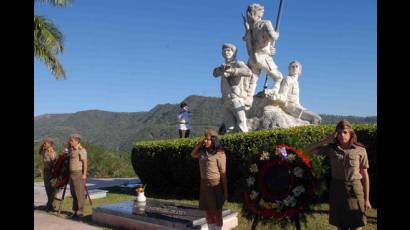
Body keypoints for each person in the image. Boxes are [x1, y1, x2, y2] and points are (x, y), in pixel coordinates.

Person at [304, 120, 371, 230]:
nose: (341, 135)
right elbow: (306, 150)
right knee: (341, 225)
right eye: (339, 132)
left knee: (357, 224)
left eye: (345, 132)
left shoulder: (360, 150)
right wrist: (325, 140)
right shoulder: (331, 149)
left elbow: (365, 175)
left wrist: (367, 199)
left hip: (355, 189)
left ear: (351, 134)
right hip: (337, 189)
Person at [242, 3, 283, 106]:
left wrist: (271, 49)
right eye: (262, 11)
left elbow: (248, 39)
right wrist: (277, 34)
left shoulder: (251, 28)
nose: (263, 13)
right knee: (279, 78)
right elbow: (273, 36)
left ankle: (248, 100)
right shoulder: (265, 23)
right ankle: (273, 93)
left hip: (252, 57)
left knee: (253, 80)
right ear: (258, 13)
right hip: (263, 57)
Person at [191, 129, 228, 230]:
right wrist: (199, 144)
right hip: (204, 184)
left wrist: (225, 191)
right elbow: (193, 154)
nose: (205, 141)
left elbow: (223, 173)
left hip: (215, 184)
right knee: (208, 212)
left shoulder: (220, 153)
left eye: (207, 139)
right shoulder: (202, 152)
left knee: (217, 212)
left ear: (214, 140)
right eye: (205, 139)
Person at [213, 43, 252, 132]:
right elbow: (214, 73)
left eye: (228, 50)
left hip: (236, 97)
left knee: (242, 122)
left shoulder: (238, 63)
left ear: (234, 52)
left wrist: (232, 70)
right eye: (224, 50)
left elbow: (248, 72)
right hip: (225, 99)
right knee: (229, 127)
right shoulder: (222, 66)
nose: (226, 52)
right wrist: (221, 70)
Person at [67, 134, 88, 218]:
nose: (69, 142)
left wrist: (84, 174)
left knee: (79, 194)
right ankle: (75, 211)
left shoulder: (81, 150)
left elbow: (85, 163)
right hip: (71, 173)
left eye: (71, 140)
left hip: (78, 173)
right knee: (73, 193)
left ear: (77, 141)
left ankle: (80, 212)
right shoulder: (72, 150)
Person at [39, 137, 57, 212]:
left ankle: (52, 205)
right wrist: (43, 147)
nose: (44, 144)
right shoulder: (44, 151)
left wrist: (50, 152)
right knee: (47, 188)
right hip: (45, 171)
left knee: (52, 188)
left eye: (45, 143)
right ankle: (50, 204)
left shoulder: (52, 152)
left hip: (51, 171)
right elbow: (40, 152)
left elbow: (54, 162)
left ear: (50, 144)